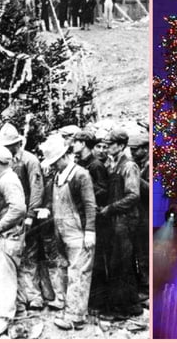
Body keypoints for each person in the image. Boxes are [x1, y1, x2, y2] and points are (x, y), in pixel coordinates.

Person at [41, 133, 97, 331]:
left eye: (56, 162)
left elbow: (90, 205)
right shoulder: (57, 176)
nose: (54, 166)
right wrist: (47, 210)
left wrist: (90, 230)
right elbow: (55, 202)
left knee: (79, 273)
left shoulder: (81, 175)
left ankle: (75, 317)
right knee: (67, 270)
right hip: (62, 232)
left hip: (79, 233)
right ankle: (73, 307)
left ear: (65, 156)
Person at [0, 122, 46, 312]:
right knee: (13, 257)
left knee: (29, 255)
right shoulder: (5, 162)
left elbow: (36, 189)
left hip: (26, 215)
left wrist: (31, 214)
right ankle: (18, 298)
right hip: (10, 217)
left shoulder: (29, 160)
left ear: (17, 144)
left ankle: (33, 296)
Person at [98, 130, 143, 321]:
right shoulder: (113, 163)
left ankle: (123, 309)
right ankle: (131, 305)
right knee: (118, 262)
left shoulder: (129, 166)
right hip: (115, 221)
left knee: (122, 264)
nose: (107, 147)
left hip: (125, 220)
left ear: (121, 145)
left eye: (111, 144)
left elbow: (133, 195)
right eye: (106, 144)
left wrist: (110, 208)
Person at [0, 144, 27, 338]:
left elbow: (18, 209)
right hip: (8, 237)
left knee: (3, 278)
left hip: (7, 237)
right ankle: (16, 311)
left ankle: (4, 317)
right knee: (8, 275)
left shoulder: (8, 180)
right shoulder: (3, 178)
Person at [72, 130, 109, 312]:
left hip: (96, 218)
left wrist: (86, 186)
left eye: (76, 142)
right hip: (82, 216)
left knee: (97, 262)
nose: (73, 145)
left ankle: (99, 303)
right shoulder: (80, 163)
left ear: (83, 144)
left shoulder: (95, 166)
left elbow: (104, 190)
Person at [129, 132, 149, 303]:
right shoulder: (138, 164)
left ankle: (147, 288)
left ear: (145, 148)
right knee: (139, 252)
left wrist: (137, 181)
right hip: (139, 216)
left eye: (135, 150)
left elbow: (152, 192)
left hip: (147, 216)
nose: (133, 153)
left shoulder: (151, 166)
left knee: (144, 253)